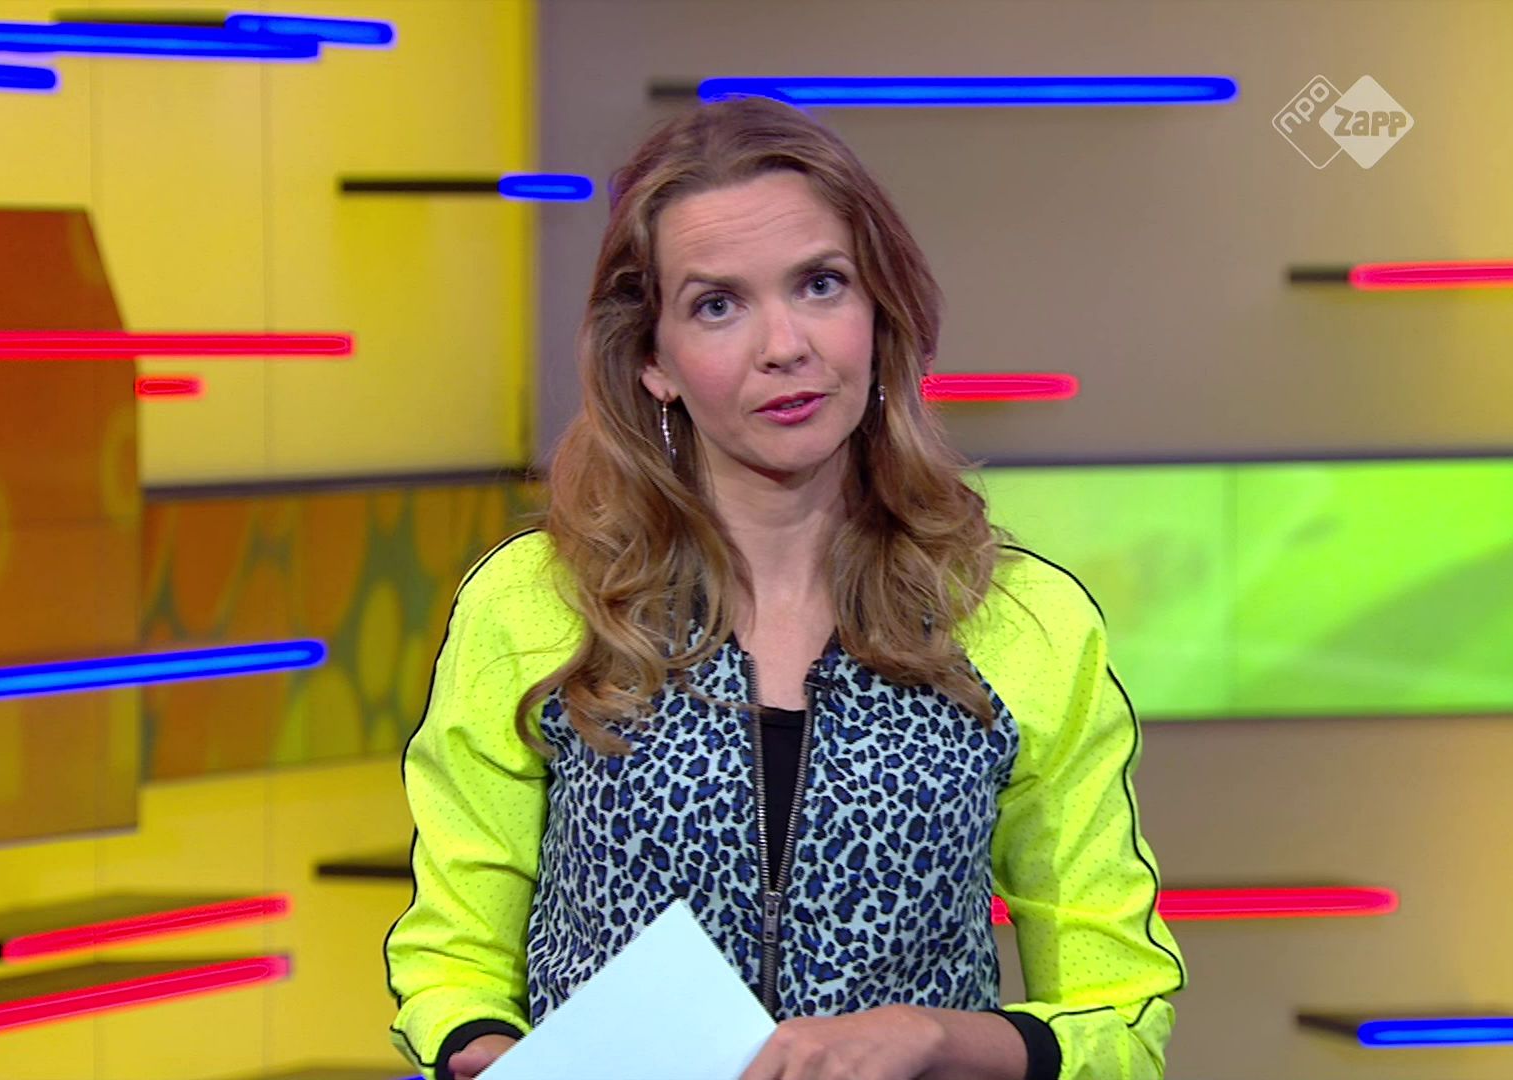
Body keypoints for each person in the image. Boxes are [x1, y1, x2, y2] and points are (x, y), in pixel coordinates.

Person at [383, 97, 1186, 1080]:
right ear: (654, 360)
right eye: (717, 305)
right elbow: (453, 957)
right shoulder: (535, 601)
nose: (784, 345)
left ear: (879, 310)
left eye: (820, 284)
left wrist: (937, 1037)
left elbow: (1120, 1016)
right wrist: (481, 1053)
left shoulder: (1021, 621)